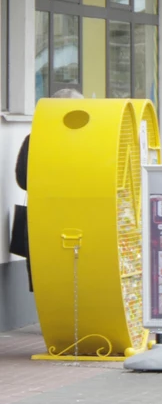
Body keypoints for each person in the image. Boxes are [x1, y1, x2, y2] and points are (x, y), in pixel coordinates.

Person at [11, 88, 85, 291]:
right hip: (81, 217)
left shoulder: (34, 139)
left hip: (42, 217)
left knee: (45, 269)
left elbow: (22, 179)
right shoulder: (89, 142)